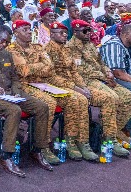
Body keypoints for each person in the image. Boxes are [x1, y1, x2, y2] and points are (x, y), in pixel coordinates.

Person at [0, 26, 58, 176]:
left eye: (7, 42)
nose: (4, 45)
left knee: (42, 107)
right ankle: (6, 156)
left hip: (9, 94)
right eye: (2, 41)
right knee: (14, 111)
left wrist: (16, 92)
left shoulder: (6, 54)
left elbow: (14, 78)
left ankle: (37, 150)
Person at [10, 20, 95, 160]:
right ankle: (42, 146)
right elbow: (24, 71)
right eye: (25, 30)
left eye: (29, 29)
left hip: (43, 83)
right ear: (16, 33)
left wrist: (35, 67)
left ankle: (74, 141)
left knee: (77, 99)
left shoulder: (37, 47)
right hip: (24, 85)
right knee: (48, 103)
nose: (29, 32)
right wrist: (40, 66)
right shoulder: (12, 49)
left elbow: (49, 69)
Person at [62, 19, 131, 156]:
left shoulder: (90, 45)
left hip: (101, 79)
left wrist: (107, 71)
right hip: (86, 82)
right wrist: (104, 76)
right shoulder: (69, 48)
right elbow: (80, 72)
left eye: (90, 30)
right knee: (112, 98)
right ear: (76, 32)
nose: (89, 33)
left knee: (129, 97)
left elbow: (101, 62)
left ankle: (110, 130)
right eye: (85, 31)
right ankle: (110, 139)